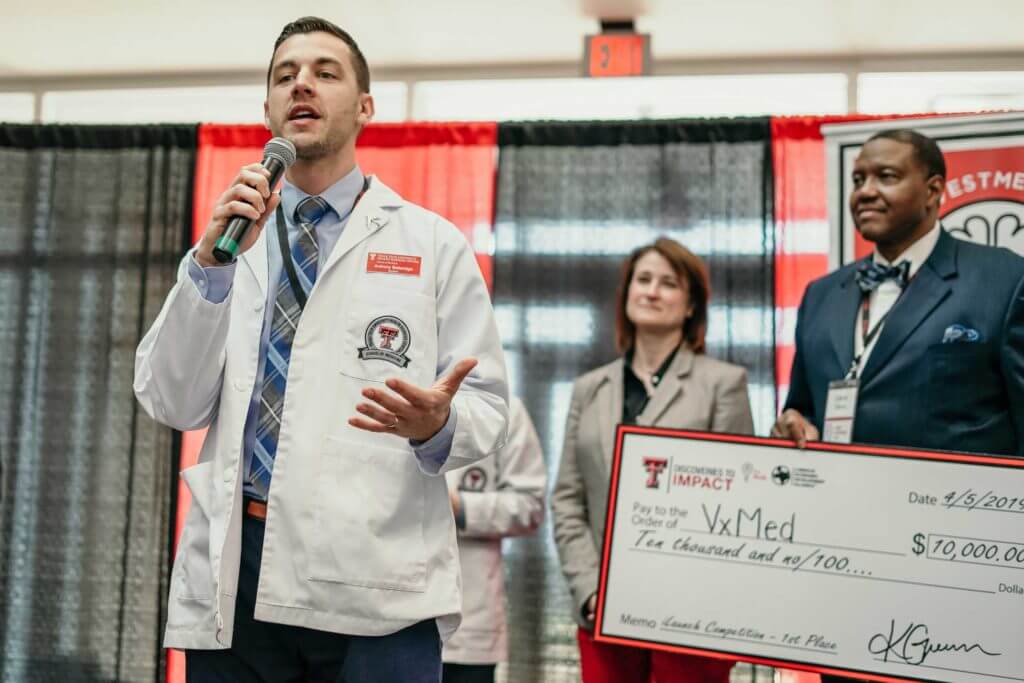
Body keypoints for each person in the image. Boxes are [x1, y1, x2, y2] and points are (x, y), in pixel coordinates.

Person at [134, 16, 508, 683]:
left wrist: (437, 423)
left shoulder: (431, 244)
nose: (300, 83)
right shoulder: (230, 240)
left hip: (375, 583)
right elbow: (171, 398)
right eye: (284, 75)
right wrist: (208, 269)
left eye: (325, 72)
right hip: (238, 573)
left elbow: (486, 412)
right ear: (269, 110)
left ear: (366, 107)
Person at [772, 128, 1024, 682]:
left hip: (959, 580)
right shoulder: (821, 294)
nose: (865, 190)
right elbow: (802, 408)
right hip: (845, 568)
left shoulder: (1004, 278)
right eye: (858, 178)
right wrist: (791, 425)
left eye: (886, 176)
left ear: (934, 191)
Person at [551, 237, 754, 683]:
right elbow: (567, 498)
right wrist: (589, 590)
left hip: (692, 612)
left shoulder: (723, 384)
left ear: (690, 307)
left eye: (669, 284)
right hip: (603, 607)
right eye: (643, 280)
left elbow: (739, 504)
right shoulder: (590, 388)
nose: (652, 291)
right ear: (626, 297)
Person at [442, 395, 547, 683]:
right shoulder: (383, 394)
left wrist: (460, 508)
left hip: (469, 628)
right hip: (388, 619)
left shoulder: (504, 407)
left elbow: (530, 505)